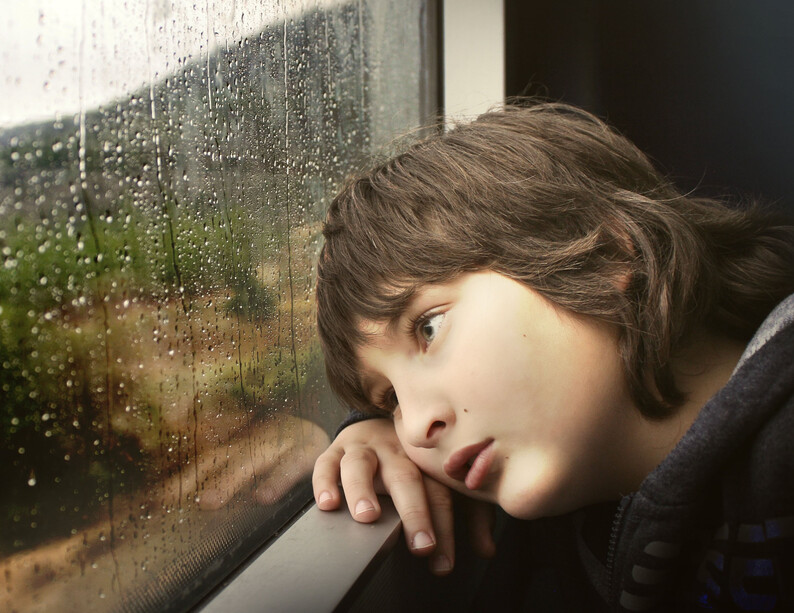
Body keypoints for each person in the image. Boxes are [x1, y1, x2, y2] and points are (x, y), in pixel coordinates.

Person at [310, 102, 794, 610]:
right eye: (391, 399)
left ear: (603, 250)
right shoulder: (567, 515)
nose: (413, 429)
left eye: (429, 328)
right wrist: (366, 430)